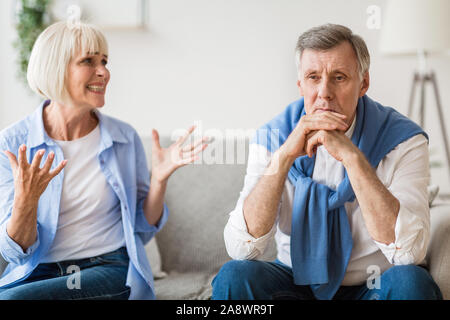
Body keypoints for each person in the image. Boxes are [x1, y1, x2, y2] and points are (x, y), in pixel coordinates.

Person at [212, 24, 442, 300]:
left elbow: (408, 252)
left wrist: (353, 157)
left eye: (339, 77)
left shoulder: (403, 140)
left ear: (364, 84)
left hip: (373, 284)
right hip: (294, 282)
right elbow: (241, 248)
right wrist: (284, 157)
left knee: (411, 283)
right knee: (235, 275)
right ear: (300, 85)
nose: (324, 92)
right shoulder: (272, 138)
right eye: (313, 77)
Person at [0, 20, 207, 300]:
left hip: (107, 267)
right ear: (55, 68)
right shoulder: (13, 144)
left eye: (105, 61)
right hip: (37, 271)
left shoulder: (123, 137)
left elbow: (141, 230)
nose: (104, 72)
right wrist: (27, 199)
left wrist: (159, 179)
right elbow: (13, 251)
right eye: (88, 61)